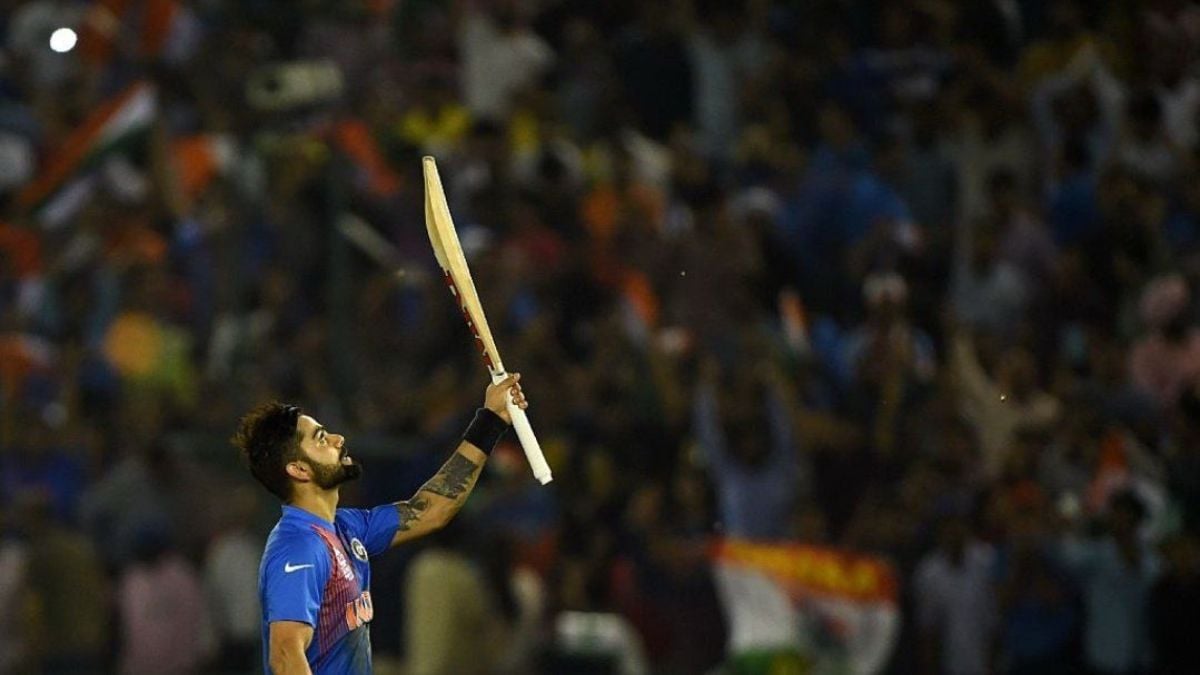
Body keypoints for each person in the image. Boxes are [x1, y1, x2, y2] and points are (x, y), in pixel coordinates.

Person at [232, 374, 527, 674]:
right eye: (321, 439)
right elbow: (285, 656)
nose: (338, 439)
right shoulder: (298, 547)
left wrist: (491, 420)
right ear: (299, 469)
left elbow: (431, 509)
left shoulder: (347, 528)